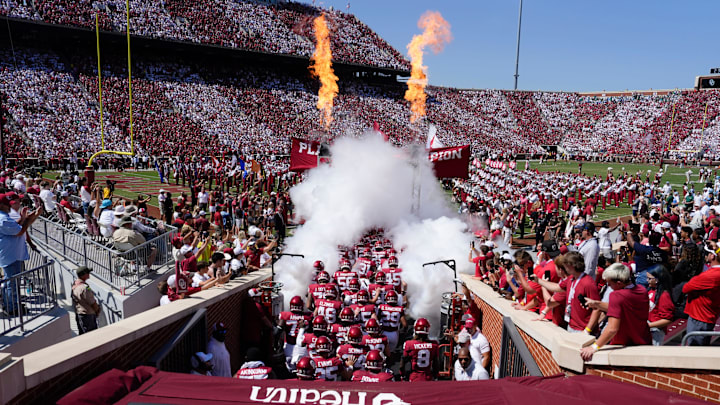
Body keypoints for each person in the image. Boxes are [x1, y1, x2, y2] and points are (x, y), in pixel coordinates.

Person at [581, 264, 651, 361]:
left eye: (609, 283)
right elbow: (623, 307)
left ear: (619, 283)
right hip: (644, 342)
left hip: (624, 345)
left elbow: (612, 329)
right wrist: (596, 303)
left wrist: (594, 347)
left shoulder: (616, 296)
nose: (608, 286)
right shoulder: (642, 290)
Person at [0, 193, 42, 316]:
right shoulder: (3, 218)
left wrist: (24, 218)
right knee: (12, 284)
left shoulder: (4, 217)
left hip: (11, 254)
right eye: (7, 205)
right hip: (10, 256)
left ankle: (10, 305)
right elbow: (20, 231)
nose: (10, 207)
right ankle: (12, 308)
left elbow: (17, 226)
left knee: (11, 283)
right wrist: (29, 219)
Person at [682, 243, 720, 345]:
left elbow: (686, 288)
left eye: (707, 253)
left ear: (712, 256)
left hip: (699, 318)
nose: (705, 256)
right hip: (710, 315)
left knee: (694, 352)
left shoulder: (709, 275)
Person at [646, 265, 675, 345]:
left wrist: (648, 325)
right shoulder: (651, 290)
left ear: (657, 279)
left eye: (649, 278)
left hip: (655, 332)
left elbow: (667, 319)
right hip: (648, 330)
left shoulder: (664, 295)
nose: (647, 280)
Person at [71, 266, 101, 334]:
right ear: (84, 275)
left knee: (83, 334)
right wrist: (97, 310)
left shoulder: (75, 284)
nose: (89, 274)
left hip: (80, 314)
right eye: (87, 273)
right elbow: (92, 303)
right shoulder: (85, 288)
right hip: (88, 316)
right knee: (91, 335)